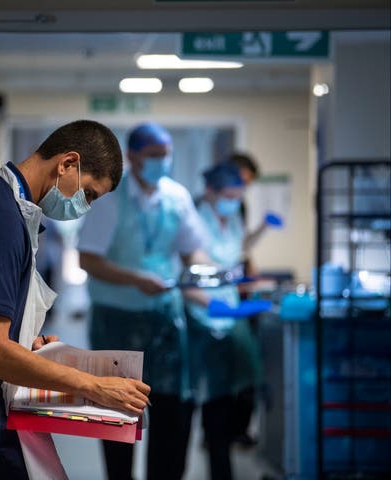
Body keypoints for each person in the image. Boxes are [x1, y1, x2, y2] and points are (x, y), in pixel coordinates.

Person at [0, 120, 151, 479]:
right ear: (67, 164)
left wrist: (29, 346)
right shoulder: (1, 220)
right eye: (89, 194)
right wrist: (92, 386)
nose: (85, 207)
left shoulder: (11, 209)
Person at [78, 123, 211, 480]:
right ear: (133, 157)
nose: (161, 162)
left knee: (172, 413)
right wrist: (136, 280)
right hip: (116, 322)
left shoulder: (176, 197)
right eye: (153, 155)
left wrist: (204, 273)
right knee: (118, 415)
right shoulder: (110, 199)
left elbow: (191, 249)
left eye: (166, 154)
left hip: (165, 318)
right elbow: (87, 260)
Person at [185, 162, 262, 480]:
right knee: (209, 398)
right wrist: (215, 304)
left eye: (237, 195)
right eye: (229, 194)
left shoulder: (231, 221)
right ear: (211, 192)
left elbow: (234, 260)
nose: (233, 201)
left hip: (228, 314)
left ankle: (223, 461)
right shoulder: (194, 223)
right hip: (201, 319)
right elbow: (188, 279)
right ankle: (218, 463)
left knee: (238, 390)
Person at [228, 152, 282, 448]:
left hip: (239, 297)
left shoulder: (239, 206)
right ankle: (222, 432)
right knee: (232, 374)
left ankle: (234, 430)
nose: (241, 188)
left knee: (245, 373)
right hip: (223, 301)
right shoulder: (206, 207)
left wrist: (251, 271)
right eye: (240, 180)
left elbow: (240, 248)